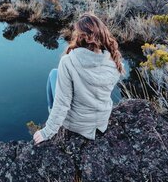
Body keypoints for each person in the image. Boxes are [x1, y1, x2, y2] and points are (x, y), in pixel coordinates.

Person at [34, 13, 124, 144]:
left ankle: (50, 110)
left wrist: (47, 132)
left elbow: (62, 103)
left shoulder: (68, 61)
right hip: (101, 120)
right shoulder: (113, 61)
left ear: (80, 36)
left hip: (77, 124)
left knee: (54, 74)